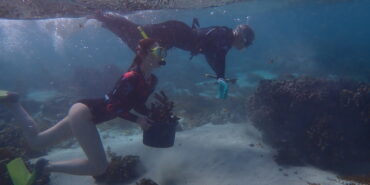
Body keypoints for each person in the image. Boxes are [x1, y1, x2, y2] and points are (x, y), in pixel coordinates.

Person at [0, 38, 167, 178]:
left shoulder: (151, 81)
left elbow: (137, 104)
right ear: (144, 54)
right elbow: (112, 106)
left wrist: (155, 114)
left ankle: (13, 103)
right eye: (159, 51)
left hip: (85, 114)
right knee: (99, 167)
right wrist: (138, 120)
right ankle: (44, 167)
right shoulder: (130, 77)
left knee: (37, 142)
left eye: (163, 52)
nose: (163, 56)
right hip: (84, 114)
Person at [93, 12, 255, 99]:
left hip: (173, 35)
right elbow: (217, 55)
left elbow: (213, 55)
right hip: (173, 33)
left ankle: (104, 20)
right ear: (242, 36)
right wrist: (220, 76)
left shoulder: (224, 39)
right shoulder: (224, 36)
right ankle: (100, 15)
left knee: (135, 39)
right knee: (136, 36)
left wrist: (220, 76)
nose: (244, 48)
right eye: (246, 44)